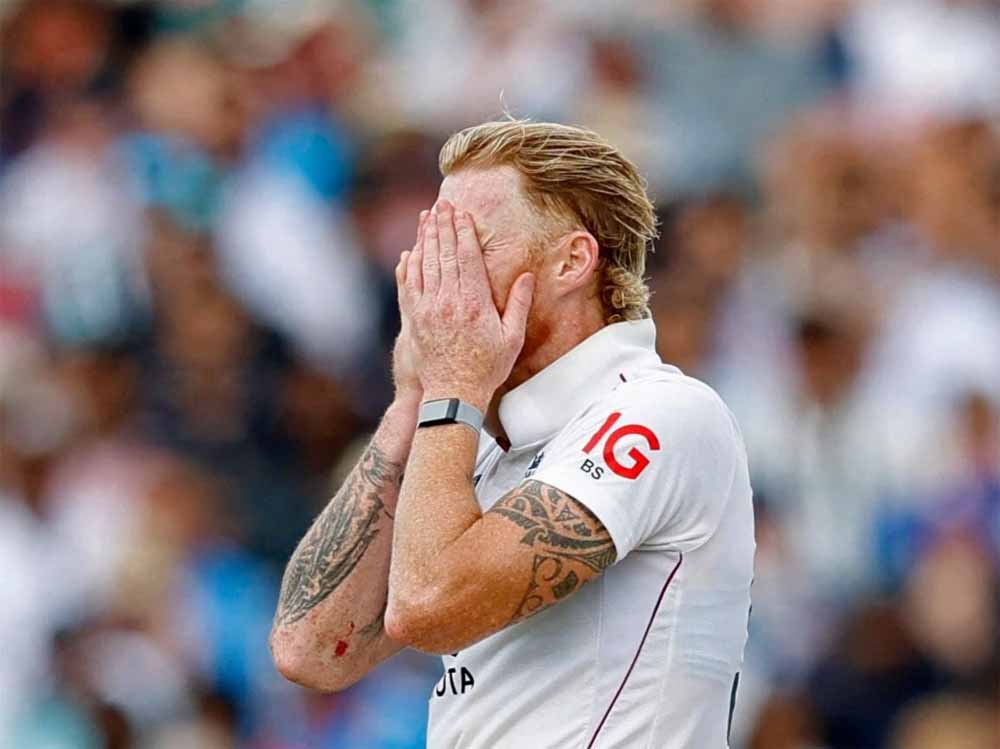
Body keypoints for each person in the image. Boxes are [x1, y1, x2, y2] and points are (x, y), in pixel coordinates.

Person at [269, 120, 755, 748]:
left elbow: (427, 606)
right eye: (433, 247)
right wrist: (413, 398)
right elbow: (310, 650)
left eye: (468, 246)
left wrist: (451, 385)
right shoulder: (467, 436)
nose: (439, 280)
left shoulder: (662, 412)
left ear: (572, 262)